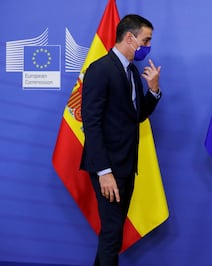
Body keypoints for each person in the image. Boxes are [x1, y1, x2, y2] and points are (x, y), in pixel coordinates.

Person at [80, 14, 162, 266]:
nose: (148, 46)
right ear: (130, 37)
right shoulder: (100, 69)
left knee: (111, 233)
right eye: (145, 40)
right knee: (112, 235)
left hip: (126, 166)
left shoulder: (132, 72)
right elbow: (91, 123)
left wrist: (154, 91)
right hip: (108, 167)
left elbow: (136, 116)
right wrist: (103, 171)